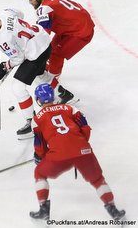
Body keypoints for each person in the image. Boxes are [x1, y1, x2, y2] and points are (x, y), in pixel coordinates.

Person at [30, 83, 126, 221]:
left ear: (38, 100)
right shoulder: (71, 109)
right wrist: (80, 145)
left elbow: (40, 145)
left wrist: (40, 157)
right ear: (53, 96)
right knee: (98, 180)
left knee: (39, 173)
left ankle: (43, 209)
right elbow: (85, 128)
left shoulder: (37, 119)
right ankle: (113, 209)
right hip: (83, 150)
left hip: (59, 155)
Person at [0, 9, 74, 139]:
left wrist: (5, 66)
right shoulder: (5, 13)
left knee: (18, 87)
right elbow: (20, 13)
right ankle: (63, 93)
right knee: (39, 75)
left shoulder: (2, 39)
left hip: (36, 53)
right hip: (44, 41)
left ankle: (32, 123)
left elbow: (18, 59)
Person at [24, 0, 95, 80]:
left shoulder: (44, 9)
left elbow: (43, 34)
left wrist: (27, 41)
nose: (30, 2)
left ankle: (52, 82)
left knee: (56, 54)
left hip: (81, 31)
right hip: (75, 25)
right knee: (51, 47)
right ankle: (52, 68)